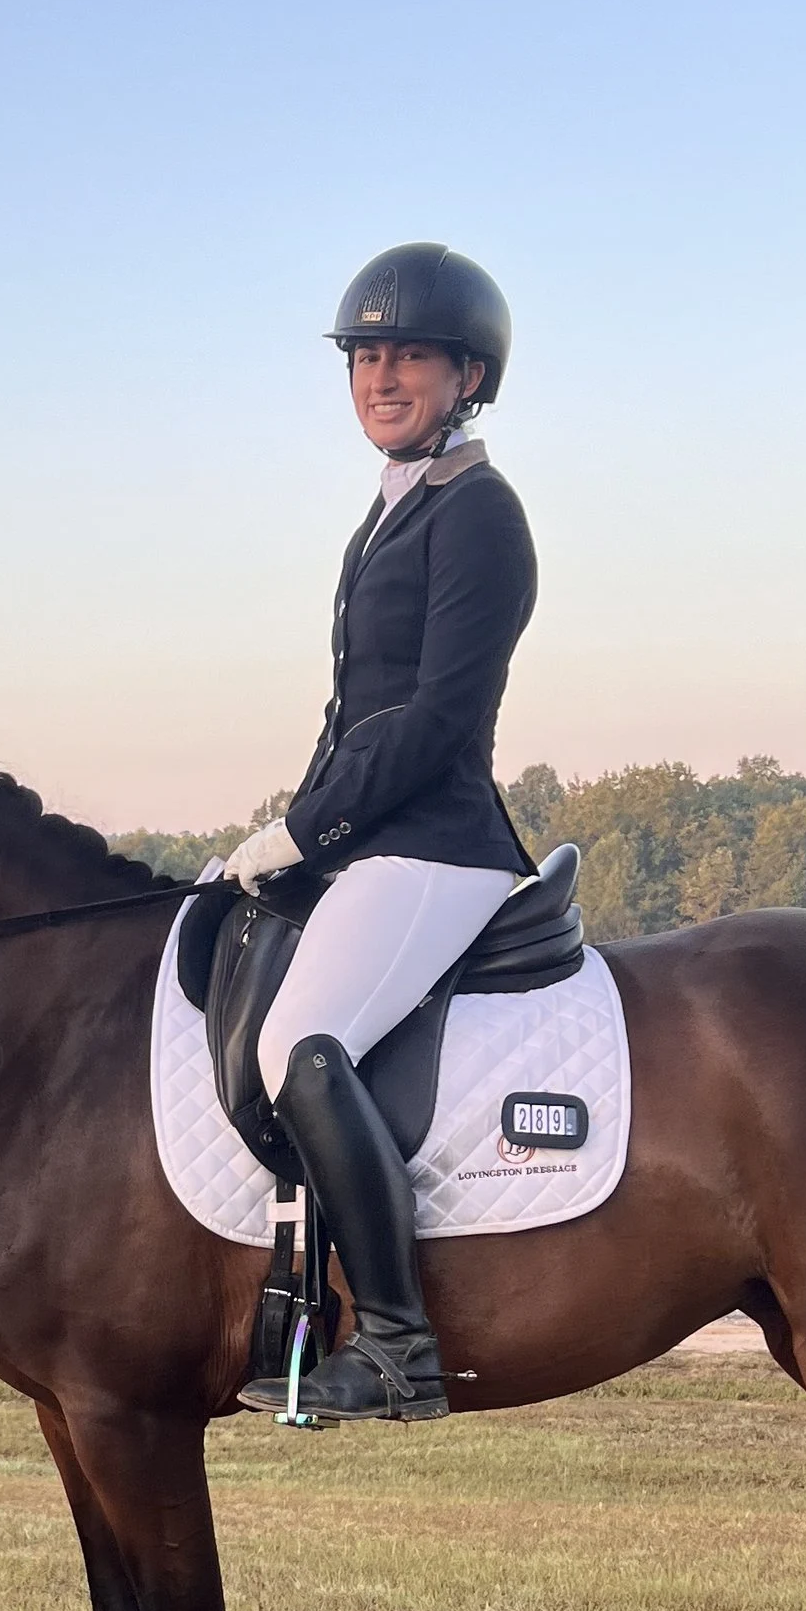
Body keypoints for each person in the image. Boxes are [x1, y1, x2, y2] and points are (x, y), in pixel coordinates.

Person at [228, 241, 539, 1424]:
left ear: (468, 375)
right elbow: (351, 706)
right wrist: (278, 834)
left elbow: (434, 717)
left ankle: (400, 1345)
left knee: (301, 1042)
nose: (380, 377)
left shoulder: (478, 515)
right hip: (372, 838)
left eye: (407, 355)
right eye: (364, 356)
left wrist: (310, 827)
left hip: (438, 843)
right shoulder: (387, 515)